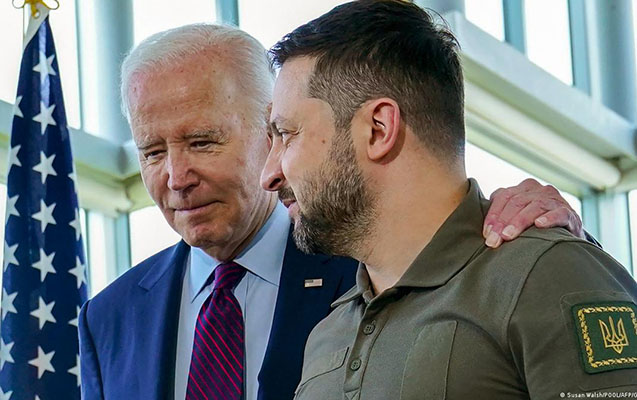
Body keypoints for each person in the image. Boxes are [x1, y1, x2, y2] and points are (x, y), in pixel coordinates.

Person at [79, 23, 589, 400]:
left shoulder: (375, 258)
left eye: (202, 141)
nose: (175, 177)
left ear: (270, 131)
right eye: (151, 152)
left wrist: (562, 246)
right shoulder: (108, 319)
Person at [260, 1, 637, 399]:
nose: (269, 175)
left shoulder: (545, 276)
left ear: (378, 129)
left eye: (287, 134)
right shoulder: (328, 332)